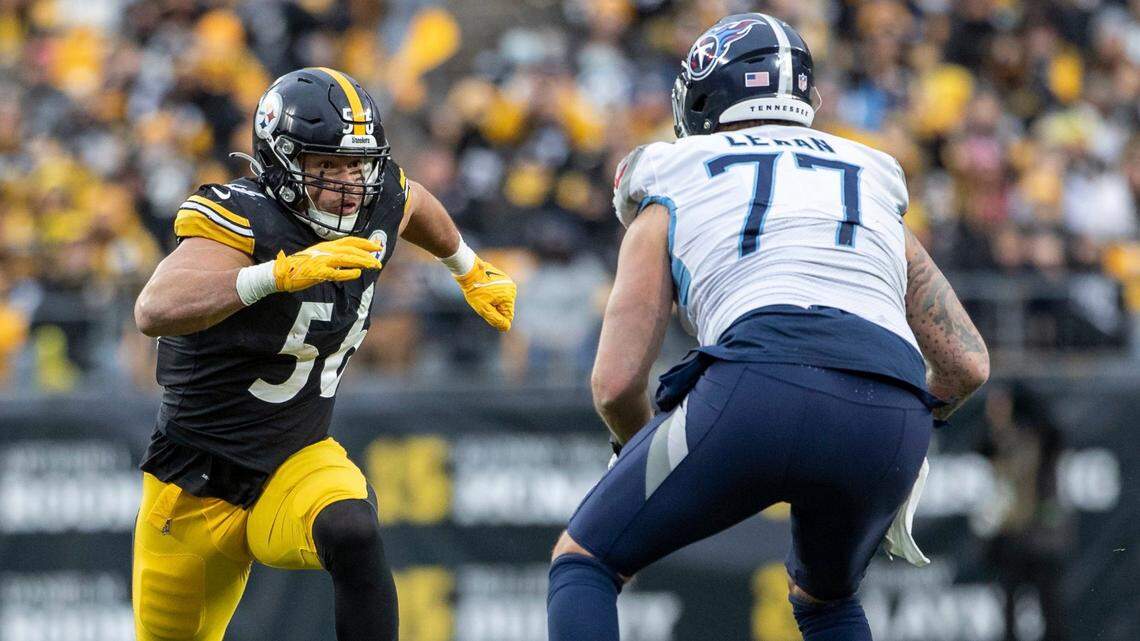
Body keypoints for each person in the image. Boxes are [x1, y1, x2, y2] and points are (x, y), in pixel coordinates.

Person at [546, 14, 989, 641]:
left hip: (757, 386)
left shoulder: (671, 171)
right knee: (828, 601)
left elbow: (616, 383)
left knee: (584, 562)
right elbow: (968, 363)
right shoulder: (868, 175)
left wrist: (633, 456)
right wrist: (907, 419)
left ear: (703, 95)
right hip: (892, 409)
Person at [131, 67, 517, 641]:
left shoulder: (378, 194)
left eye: (355, 165)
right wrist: (274, 275)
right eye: (326, 166)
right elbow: (154, 308)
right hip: (193, 484)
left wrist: (466, 265)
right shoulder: (241, 215)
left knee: (353, 530)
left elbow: (413, 200)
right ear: (282, 162)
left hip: (295, 458)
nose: (346, 184)